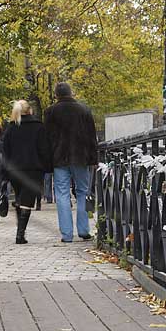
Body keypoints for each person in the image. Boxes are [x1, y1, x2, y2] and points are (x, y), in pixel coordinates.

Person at [43, 82, 98, 243]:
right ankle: (83, 230)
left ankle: (66, 234)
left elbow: (46, 139)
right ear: (71, 93)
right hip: (80, 157)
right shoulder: (84, 110)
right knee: (82, 192)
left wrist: (47, 162)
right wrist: (93, 159)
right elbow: (91, 137)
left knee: (62, 194)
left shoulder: (50, 112)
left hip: (59, 159)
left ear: (56, 95)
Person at [2, 100, 51, 244]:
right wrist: (47, 166)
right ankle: (20, 234)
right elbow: (44, 149)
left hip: (14, 169)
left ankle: (20, 230)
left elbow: (5, 151)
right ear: (30, 110)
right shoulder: (38, 127)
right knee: (27, 202)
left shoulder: (11, 128)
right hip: (33, 168)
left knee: (20, 198)